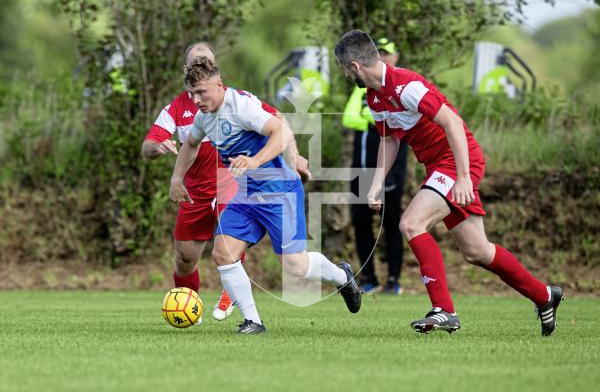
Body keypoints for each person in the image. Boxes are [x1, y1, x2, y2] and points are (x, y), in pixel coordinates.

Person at [334, 30, 563, 336]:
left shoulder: (406, 86)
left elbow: (452, 122)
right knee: (477, 251)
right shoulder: (374, 97)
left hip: (457, 162)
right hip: (438, 167)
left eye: (344, 69)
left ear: (355, 66)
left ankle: (444, 310)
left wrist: (465, 176)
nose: (346, 75)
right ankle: (545, 296)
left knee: (411, 223)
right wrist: (375, 184)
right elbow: (389, 140)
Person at [169, 56, 361, 334]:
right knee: (222, 253)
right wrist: (177, 178)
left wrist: (255, 161)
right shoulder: (204, 118)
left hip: (278, 192)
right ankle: (253, 322)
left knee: (296, 266)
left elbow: (281, 132)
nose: (197, 99)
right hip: (246, 197)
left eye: (202, 92)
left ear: (219, 86)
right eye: (192, 93)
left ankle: (341, 275)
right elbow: (190, 144)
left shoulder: (241, 107)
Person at [142, 43, 309, 322]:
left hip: (231, 181)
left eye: (207, 62)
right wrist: (158, 150)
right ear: (188, 70)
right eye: (197, 63)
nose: (202, 66)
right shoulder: (179, 107)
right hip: (195, 191)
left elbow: (278, 122)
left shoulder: (236, 100)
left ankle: (237, 301)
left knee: (229, 244)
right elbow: (150, 144)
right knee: (184, 257)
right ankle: (188, 308)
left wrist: (295, 156)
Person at [342, 37, 408, 295]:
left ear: (395, 57)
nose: (383, 57)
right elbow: (350, 118)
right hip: (362, 167)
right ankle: (368, 277)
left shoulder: (398, 88)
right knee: (360, 221)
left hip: (392, 165)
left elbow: (395, 126)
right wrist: (371, 119)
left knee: (391, 221)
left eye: (387, 53)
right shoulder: (363, 90)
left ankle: (394, 279)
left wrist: (373, 119)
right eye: (379, 52)